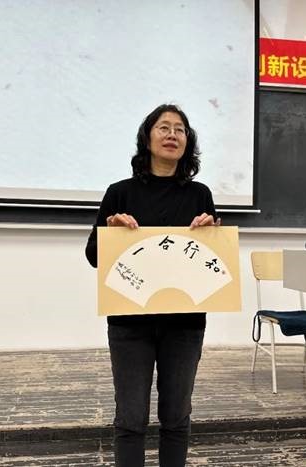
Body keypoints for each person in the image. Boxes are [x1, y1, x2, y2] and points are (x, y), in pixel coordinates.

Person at [85, 104, 220, 467]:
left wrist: (212, 235)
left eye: (180, 129)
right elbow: (94, 256)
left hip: (185, 323)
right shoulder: (119, 193)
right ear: (147, 138)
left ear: (188, 141)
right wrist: (111, 234)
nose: (172, 134)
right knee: (130, 419)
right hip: (130, 323)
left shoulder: (199, 195)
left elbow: (210, 264)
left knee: (176, 417)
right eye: (164, 127)